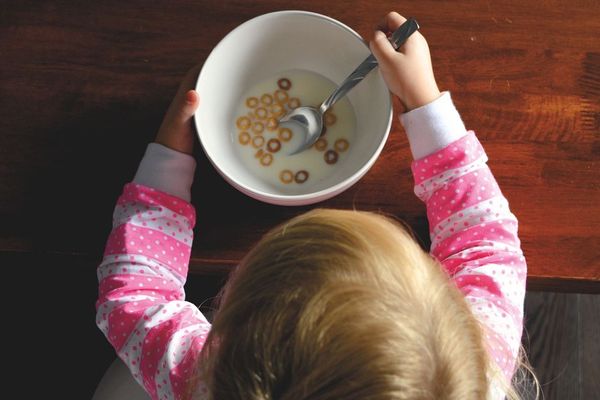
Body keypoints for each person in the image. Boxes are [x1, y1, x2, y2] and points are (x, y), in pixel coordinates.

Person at [96, 11, 537, 400]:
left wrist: (169, 157)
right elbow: (485, 243)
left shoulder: (205, 379)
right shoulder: (476, 368)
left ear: (235, 332)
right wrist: (424, 100)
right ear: (450, 311)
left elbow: (135, 298)